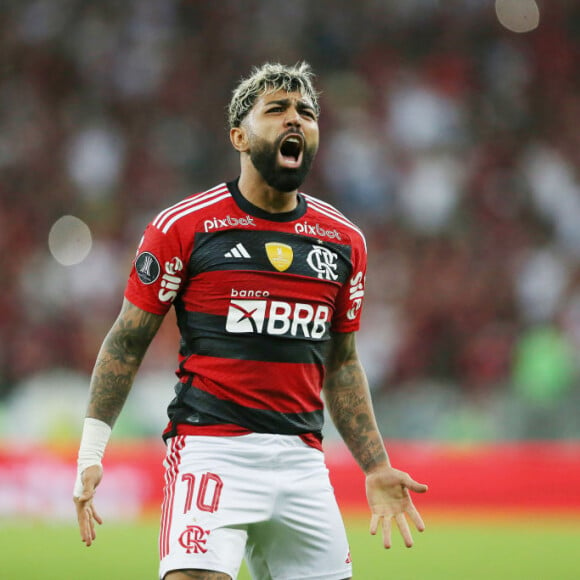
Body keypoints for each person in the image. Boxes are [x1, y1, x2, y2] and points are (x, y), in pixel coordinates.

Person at [73, 61, 428, 580]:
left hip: (303, 461)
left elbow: (343, 364)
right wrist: (91, 451)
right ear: (238, 135)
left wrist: (375, 465)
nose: (295, 120)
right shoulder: (184, 227)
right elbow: (126, 343)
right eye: (277, 109)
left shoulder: (345, 240)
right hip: (211, 451)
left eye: (306, 112)